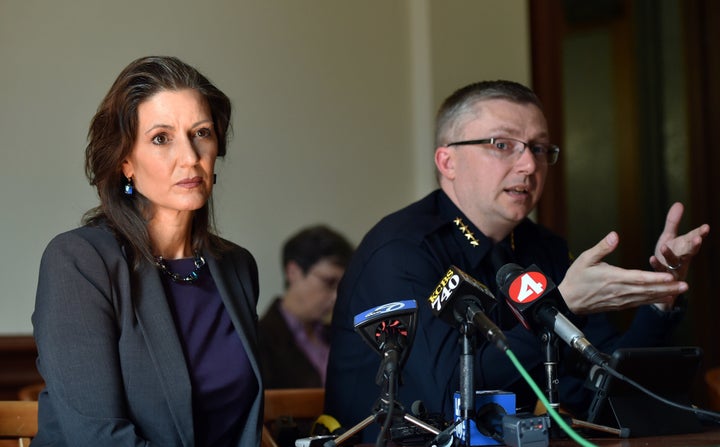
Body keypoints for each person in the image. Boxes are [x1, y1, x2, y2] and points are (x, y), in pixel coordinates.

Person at [324, 80, 710, 442]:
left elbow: (608, 384)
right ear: (448, 162)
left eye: (540, 148)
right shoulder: (401, 251)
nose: (529, 166)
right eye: (502, 144)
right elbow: (448, 400)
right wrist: (562, 306)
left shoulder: (545, 250)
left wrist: (660, 302)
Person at [32, 56, 263, 446]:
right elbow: (98, 438)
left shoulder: (236, 266)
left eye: (201, 133)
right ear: (126, 162)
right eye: (161, 138)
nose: (190, 157)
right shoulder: (78, 262)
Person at [258, 225, 354, 389]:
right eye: (329, 282)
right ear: (293, 272)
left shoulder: (339, 336)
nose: (336, 297)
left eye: (342, 287)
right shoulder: (258, 341)